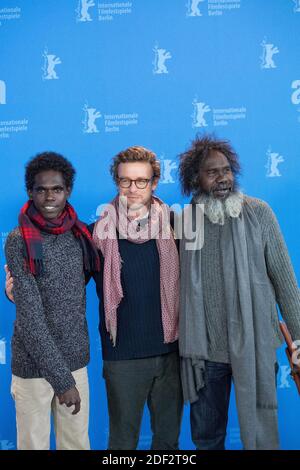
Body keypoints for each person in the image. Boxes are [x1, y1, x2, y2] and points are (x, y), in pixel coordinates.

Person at [178, 134, 300, 450]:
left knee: (260, 436)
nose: (223, 178)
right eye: (212, 172)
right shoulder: (184, 222)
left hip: (256, 346)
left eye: (227, 170)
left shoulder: (260, 213)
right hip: (205, 355)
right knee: (207, 439)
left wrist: (299, 339)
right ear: (195, 179)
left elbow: (285, 282)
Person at [5, 152, 99, 450]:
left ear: (68, 191)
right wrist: (62, 381)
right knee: (33, 445)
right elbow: (31, 316)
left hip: (75, 361)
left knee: (76, 444)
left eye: (56, 189)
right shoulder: (19, 239)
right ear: (30, 192)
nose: (49, 196)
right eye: (41, 189)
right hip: (33, 367)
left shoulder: (81, 234)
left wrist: (69, 376)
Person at [90, 145, 183, 450]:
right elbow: (66, 286)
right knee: (122, 445)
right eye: (125, 181)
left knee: (167, 444)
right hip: (122, 358)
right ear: (116, 182)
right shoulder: (97, 234)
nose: (133, 189)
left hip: (171, 355)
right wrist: (13, 293)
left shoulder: (176, 227)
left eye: (141, 181)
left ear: (154, 182)